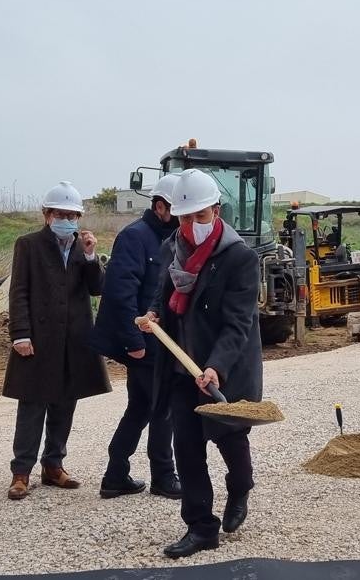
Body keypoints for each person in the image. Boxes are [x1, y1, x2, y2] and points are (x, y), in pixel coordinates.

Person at [136, 168, 263, 560]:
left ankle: (241, 488)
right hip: (181, 365)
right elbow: (163, 293)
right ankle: (201, 527)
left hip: (223, 367)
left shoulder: (239, 257)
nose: (192, 224)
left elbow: (238, 322)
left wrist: (217, 367)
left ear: (216, 210)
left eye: (200, 216)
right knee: (187, 447)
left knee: (230, 439)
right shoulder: (175, 247)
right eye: (185, 217)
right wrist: (154, 314)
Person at [4, 182, 110, 501]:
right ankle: (21, 472)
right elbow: (19, 291)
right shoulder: (29, 245)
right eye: (61, 214)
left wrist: (92, 257)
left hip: (73, 341)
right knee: (32, 406)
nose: (67, 219)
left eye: (73, 215)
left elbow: (97, 288)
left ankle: (53, 466)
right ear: (47, 215)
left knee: (65, 405)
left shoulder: (82, 248)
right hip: (38, 339)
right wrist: (20, 333)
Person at [92, 174, 182, 500]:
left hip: (163, 339)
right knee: (163, 408)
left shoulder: (174, 238)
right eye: (178, 208)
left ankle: (115, 474)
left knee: (141, 407)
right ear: (160, 206)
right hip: (144, 341)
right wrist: (134, 342)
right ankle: (164, 476)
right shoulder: (135, 238)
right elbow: (119, 295)